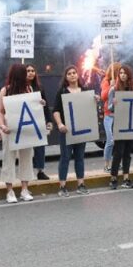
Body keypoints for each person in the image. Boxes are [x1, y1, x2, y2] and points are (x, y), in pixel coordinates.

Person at [0, 63, 45, 203]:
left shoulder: (29, 89)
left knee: (27, 157)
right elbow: (0, 111)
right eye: (25, 73)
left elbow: (33, 108)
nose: (28, 75)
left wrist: (39, 103)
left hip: (26, 129)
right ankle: (10, 191)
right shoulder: (5, 91)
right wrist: (2, 126)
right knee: (9, 158)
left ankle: (24, 189)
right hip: (10, 129)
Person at [52, 66, 95, 197]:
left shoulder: (85, 90)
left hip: (81, 130)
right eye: (69, 73)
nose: (72, 75)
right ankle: (62, 186)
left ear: (78, 75)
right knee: (65, 157)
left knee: (80, 157)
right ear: (66, 77)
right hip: (67, 131)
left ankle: (81, 184)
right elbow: (56, 110)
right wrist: (59, 124)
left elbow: (89, 107)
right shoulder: (62, 92)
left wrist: (95, 99)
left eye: (74, 73)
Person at [108, 64, 133, 190]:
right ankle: (113, 177)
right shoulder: (114, 89)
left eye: (125, 73)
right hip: (119, 123)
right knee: (118, 152)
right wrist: (113, 104)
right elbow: (109, 108)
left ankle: (126, 177)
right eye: (120, 73)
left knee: (127, 152)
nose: (122, 75)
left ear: (129, 75)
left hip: (130, 123)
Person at [26, 64, 52, 181]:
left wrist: (49, 120)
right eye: (28, 71)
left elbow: (45, 107)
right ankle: (27, 171)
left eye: (33, 70)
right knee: (26, 147)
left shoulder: (39, 88)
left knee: (40, 146)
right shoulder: (20, 88)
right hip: (25, 121)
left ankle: (40, 171)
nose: (31, 73)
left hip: (38, 119)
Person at [100, 62, 121, 173]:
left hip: (120, 114)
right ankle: (107, 164)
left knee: (119, 141)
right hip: (109, 115)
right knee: (110, 141)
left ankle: (118, 163)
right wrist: (111, 87)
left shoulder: (122, 82)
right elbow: (103, 96)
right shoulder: (106, 81)